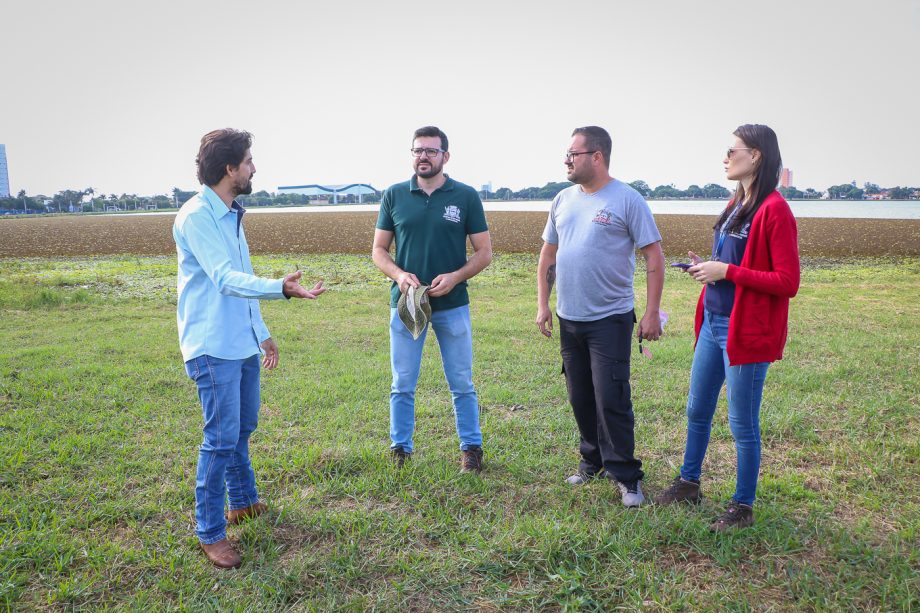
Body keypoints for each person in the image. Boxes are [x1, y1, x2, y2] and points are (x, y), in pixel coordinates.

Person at [173, 129, 326, 568]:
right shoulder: (197, 216)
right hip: (211, 345)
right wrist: (280, 287)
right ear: (229, 168)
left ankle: (242, 502)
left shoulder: (231, 213)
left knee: (243, 428)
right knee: (220, 438)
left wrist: (261, 330)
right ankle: (210, 532)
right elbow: (224, 278)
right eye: (249, 161)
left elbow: (242, 275)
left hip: (240, 342)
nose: (254, 168)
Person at [654, 124, 800, 531]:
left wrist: (727, 271)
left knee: (742, 424)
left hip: (745, 330)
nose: (725, 157)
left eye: (732, 150)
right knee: (697, 409)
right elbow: (734, 263)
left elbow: (788, 281)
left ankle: (742, 506)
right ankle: (688, 483)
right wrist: (708, 268)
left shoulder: (775, 209)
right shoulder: (736, 203)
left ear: (756, 155)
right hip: (713, 322)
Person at [536, 126, 665, 507]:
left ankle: (626, 476)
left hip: (610, 318)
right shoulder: (562, 199)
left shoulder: (627, 199)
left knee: (612, 397)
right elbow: (548, 255)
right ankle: (591, 461)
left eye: (573, 154)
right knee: (580, 396)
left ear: (596, 156)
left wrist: (652, 312)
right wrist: (543, 304)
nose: (566, 160)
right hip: (569, 318)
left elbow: (654, 256)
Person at [372, 126, 493, 473]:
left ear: (445, 156)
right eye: (418, 150)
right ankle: (400, 449)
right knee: (402, 382)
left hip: (452, 305)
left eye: (431, 151)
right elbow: (379, 250)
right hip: (407, 305)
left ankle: (471, 449)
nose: (423, 156)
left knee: (461, 381)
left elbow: (484, 253)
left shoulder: (465, 196)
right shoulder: (394, 195)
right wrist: (399, 275)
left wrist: (455, 277)